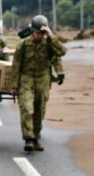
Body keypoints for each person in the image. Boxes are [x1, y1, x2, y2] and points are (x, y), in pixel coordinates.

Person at [10, 15, 66, 152]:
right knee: (27, 109)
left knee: (39, 111)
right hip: (26, 79)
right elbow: (16, 65)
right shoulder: (23, 45)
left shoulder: (49, 44)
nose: (38, 36)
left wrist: (60, 73)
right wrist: (14, 85)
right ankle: (28, 139)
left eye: (41, 33)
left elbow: (60, 53)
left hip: (43, 79)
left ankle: (35, 137)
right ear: (32, 31)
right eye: (36, 33)